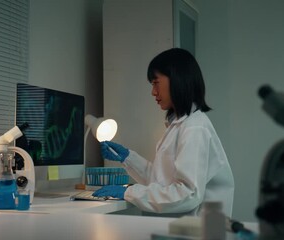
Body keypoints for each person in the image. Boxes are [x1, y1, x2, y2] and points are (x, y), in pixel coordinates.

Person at [92, 48, 235, 217]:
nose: (153, 92)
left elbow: (188, 194)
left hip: (199, 230)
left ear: (176, 80)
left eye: (155, 83)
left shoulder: (194, 128)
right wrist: (128, 158)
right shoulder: (180, 124)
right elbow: (162, 181)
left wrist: (128, 192)